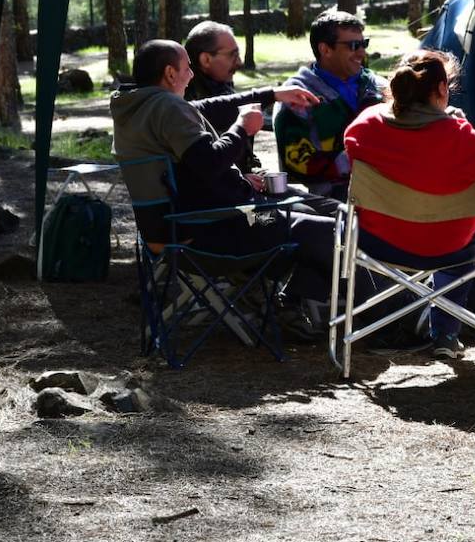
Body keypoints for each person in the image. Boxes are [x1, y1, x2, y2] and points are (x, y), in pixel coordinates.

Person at [111, 40, 341, 327]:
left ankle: (288, 301)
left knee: (323, 214)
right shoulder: (167, 107)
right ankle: (306, 304)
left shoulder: (137, 109)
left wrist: (271, 95)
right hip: (214, 228)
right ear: (170, 73)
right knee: (328, 228)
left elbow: (206, 114)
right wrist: (242, 128)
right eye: (187, 68)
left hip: (176, 227)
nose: (191, 75)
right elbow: (209, 162)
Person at [343, 50, 475, 360]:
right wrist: (459, 125)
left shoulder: (368, 125)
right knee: (473, 230)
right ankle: (445, 332)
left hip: (378, 244)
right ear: (441, 89)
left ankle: (377, 326)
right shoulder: (459, 136)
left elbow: (350, 143)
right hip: (450, 250)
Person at [274, 10, 386, 200]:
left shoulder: (381, 87)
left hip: (391, 193)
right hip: (333, 200)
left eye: (364, 44)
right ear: (325, 50)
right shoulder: (296, 95)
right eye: (353, 46)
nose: (362, 52)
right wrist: (359, 159)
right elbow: (299, 162)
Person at [182, 20, 319, 175]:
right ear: (206, 60)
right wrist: (241, 177)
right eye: (232, 55)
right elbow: (207, 165)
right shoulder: (186, 104)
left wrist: (254, 169)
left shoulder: (222, 87)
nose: (239, 62)